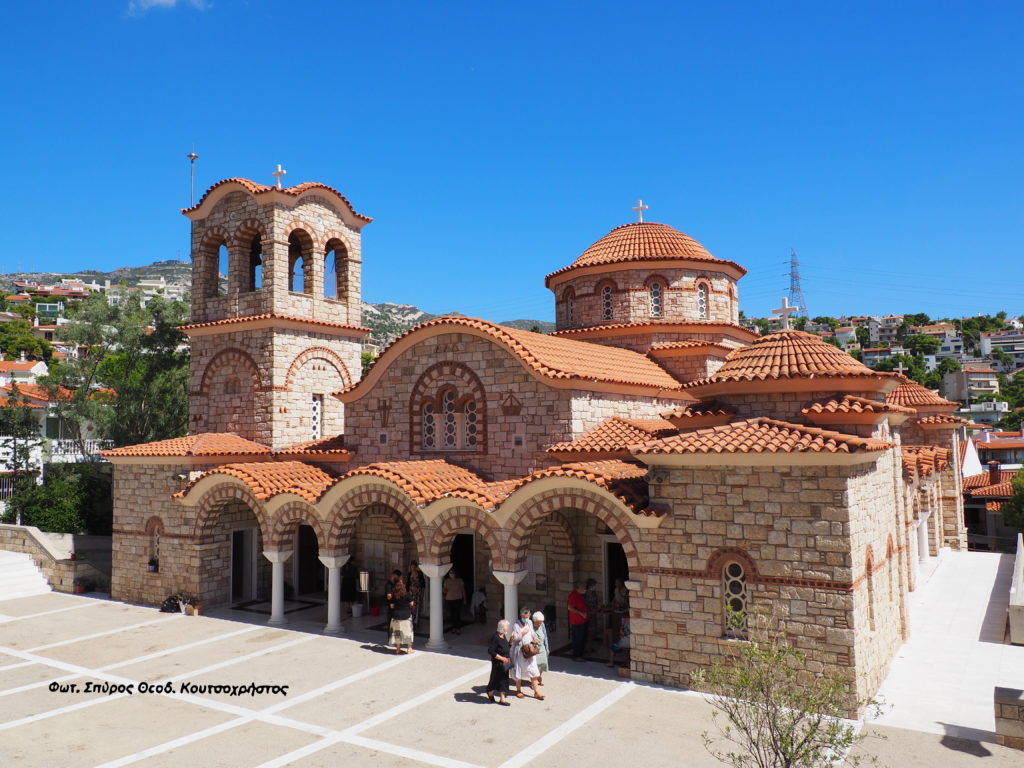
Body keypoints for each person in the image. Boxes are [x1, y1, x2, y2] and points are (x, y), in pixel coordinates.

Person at [510, 607, 544, 699]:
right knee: (519, 671)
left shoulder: (529, 622)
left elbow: (532, 632)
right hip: (520, 652)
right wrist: (522, 633)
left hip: (530, 650)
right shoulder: (516, 625)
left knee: (533, 670)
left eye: (527, 617)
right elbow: (515, 638)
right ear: (521, 616)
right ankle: (518, 690)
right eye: (524, 617)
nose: (526, 618)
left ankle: (536, 692)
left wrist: (535, 639)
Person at [486, 619, 512, 705]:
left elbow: (506, 647)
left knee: (504, 680)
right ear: (503, 628)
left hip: (505, 663)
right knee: (495, 679)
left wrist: (511, 641)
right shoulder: (495, 637)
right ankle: (490, 692)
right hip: (498, 664)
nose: (508, 628)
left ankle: (502, 699)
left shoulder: (503, 636)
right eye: (507, 627)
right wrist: (501, 658)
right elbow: (491, 651)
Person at [388, 578, 415, 654]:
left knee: (397, 632)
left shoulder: (394, 596)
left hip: (396, 616)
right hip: (406, 616)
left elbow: (391, 606)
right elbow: (412, 603)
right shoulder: (407, 594)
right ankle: (409, 648)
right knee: (408, 632)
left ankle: (398, 649)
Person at [567, 581, 588, 661]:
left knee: (582, 638)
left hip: (583, 621)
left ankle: (581, 654)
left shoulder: (580, 595)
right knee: (578, 639)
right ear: (579, 588)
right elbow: (570, 607)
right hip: (577, 622)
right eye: (583, 587)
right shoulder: (573, 595)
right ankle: (577, 656)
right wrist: (581, 613)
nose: (584, 589)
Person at [443, 568, 466, 635]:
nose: (451, 574)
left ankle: (458, 628)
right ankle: (454, 627)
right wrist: (443, 590)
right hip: (449, 599)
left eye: (452, 572)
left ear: (455, 573)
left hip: (458, 599)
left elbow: (463, 590)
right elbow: (445, 591)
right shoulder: (446, 581)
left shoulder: (459, 580)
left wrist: (465, 599)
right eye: (450, 573)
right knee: (452, 614)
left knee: (457, 614)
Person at [532, 611, 549, 686]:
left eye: (541, 622)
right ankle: (534, 681)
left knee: (543, 663)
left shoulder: (542, 625)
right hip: (534, 648)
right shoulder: (531, 626)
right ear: (534, 621)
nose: (540, 624)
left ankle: (539, 676)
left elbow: (545, 636)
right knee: (535, 665)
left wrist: (547, 648)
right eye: (538, 622)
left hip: (542, 647)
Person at [407, 560, 425, 629]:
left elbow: (423, 583)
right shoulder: (409, 574)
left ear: (416, 567)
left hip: (418, 593)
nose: (413, 568)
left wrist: (422, 592)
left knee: (418, 607)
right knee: (412, 607)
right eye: (412, 566)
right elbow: (408, 583)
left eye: (414, 566)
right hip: (411, 593)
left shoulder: (419, 573)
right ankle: (411, 621)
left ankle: (417, 622)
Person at [384, 569, 402, 641]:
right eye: (398, 576)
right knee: (390, 622)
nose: (399, 578)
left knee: (397, 623)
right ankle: (390, 638)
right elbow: (389, 596)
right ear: (394, 575)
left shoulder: (397, 583)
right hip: (390, 606)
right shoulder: (389, 584)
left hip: (397, 606)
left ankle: (396, 638)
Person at [584, 578, 601, 652]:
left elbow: (596, 603)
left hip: (593, 615)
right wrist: (589, 612)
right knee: (587, 633)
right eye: (594, 585)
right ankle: (586, 648)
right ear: (590, 586)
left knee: (592, 632)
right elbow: (583, 605)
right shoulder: (584, 594)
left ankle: (590, 647)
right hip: (587, 616)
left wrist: (596, 608)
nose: (595, 587)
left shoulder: (594, 593)